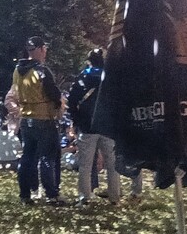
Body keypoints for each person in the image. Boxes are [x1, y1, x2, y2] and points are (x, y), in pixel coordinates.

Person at [68, 49, 139, 203]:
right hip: (108, 127)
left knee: (85, 165)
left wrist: (77, 121)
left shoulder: (83, 77)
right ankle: (115, 197)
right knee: (112, 165)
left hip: (87, 127)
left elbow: (72, 100)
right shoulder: (111, 78)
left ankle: (85, 197)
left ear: (89, 61)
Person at [11, 36, 63, 203]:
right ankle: (51, 195)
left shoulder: (17, 70)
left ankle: (25, 194)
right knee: (48, 157)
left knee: (27, 157)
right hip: (44, 117)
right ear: (40, 49)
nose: (46, 52)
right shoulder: (41, 71)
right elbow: (54, 93)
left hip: (26, 118)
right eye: (45, 48)